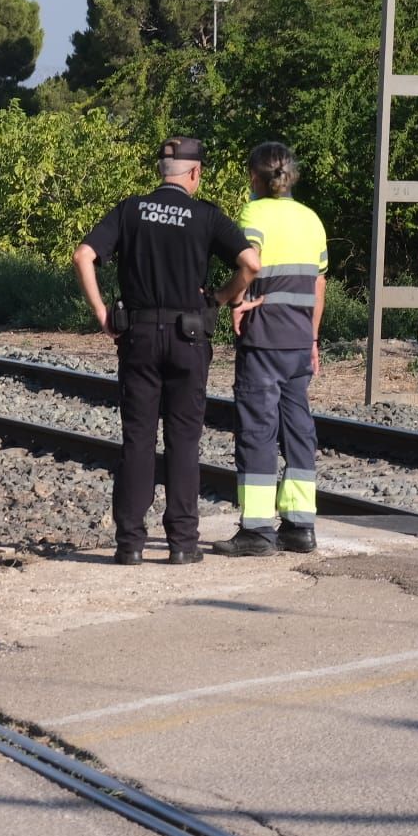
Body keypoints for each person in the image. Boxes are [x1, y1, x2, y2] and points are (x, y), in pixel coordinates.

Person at [73, 137, 260, 565]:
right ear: (194, 173)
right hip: (188, 338)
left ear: (163, 171)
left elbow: (83, 255)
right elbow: (251, 264)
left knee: (137, 439)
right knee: (183, 440)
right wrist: (220, 297)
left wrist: (102, 312)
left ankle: (130, 544)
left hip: (137, 337)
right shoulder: (206, 215)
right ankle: (182, 544)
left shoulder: (130, 209)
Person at [212, 142, 328, 557]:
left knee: (258, 429)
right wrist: (313, 338)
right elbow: (318, 283)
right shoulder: (311, 219)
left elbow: (251, 264)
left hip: (263, 336)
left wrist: (234, 301)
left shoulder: (254, 213)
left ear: (253, 177)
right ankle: (300, 526)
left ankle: (257, 529)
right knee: (298, 428)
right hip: (299, 340)